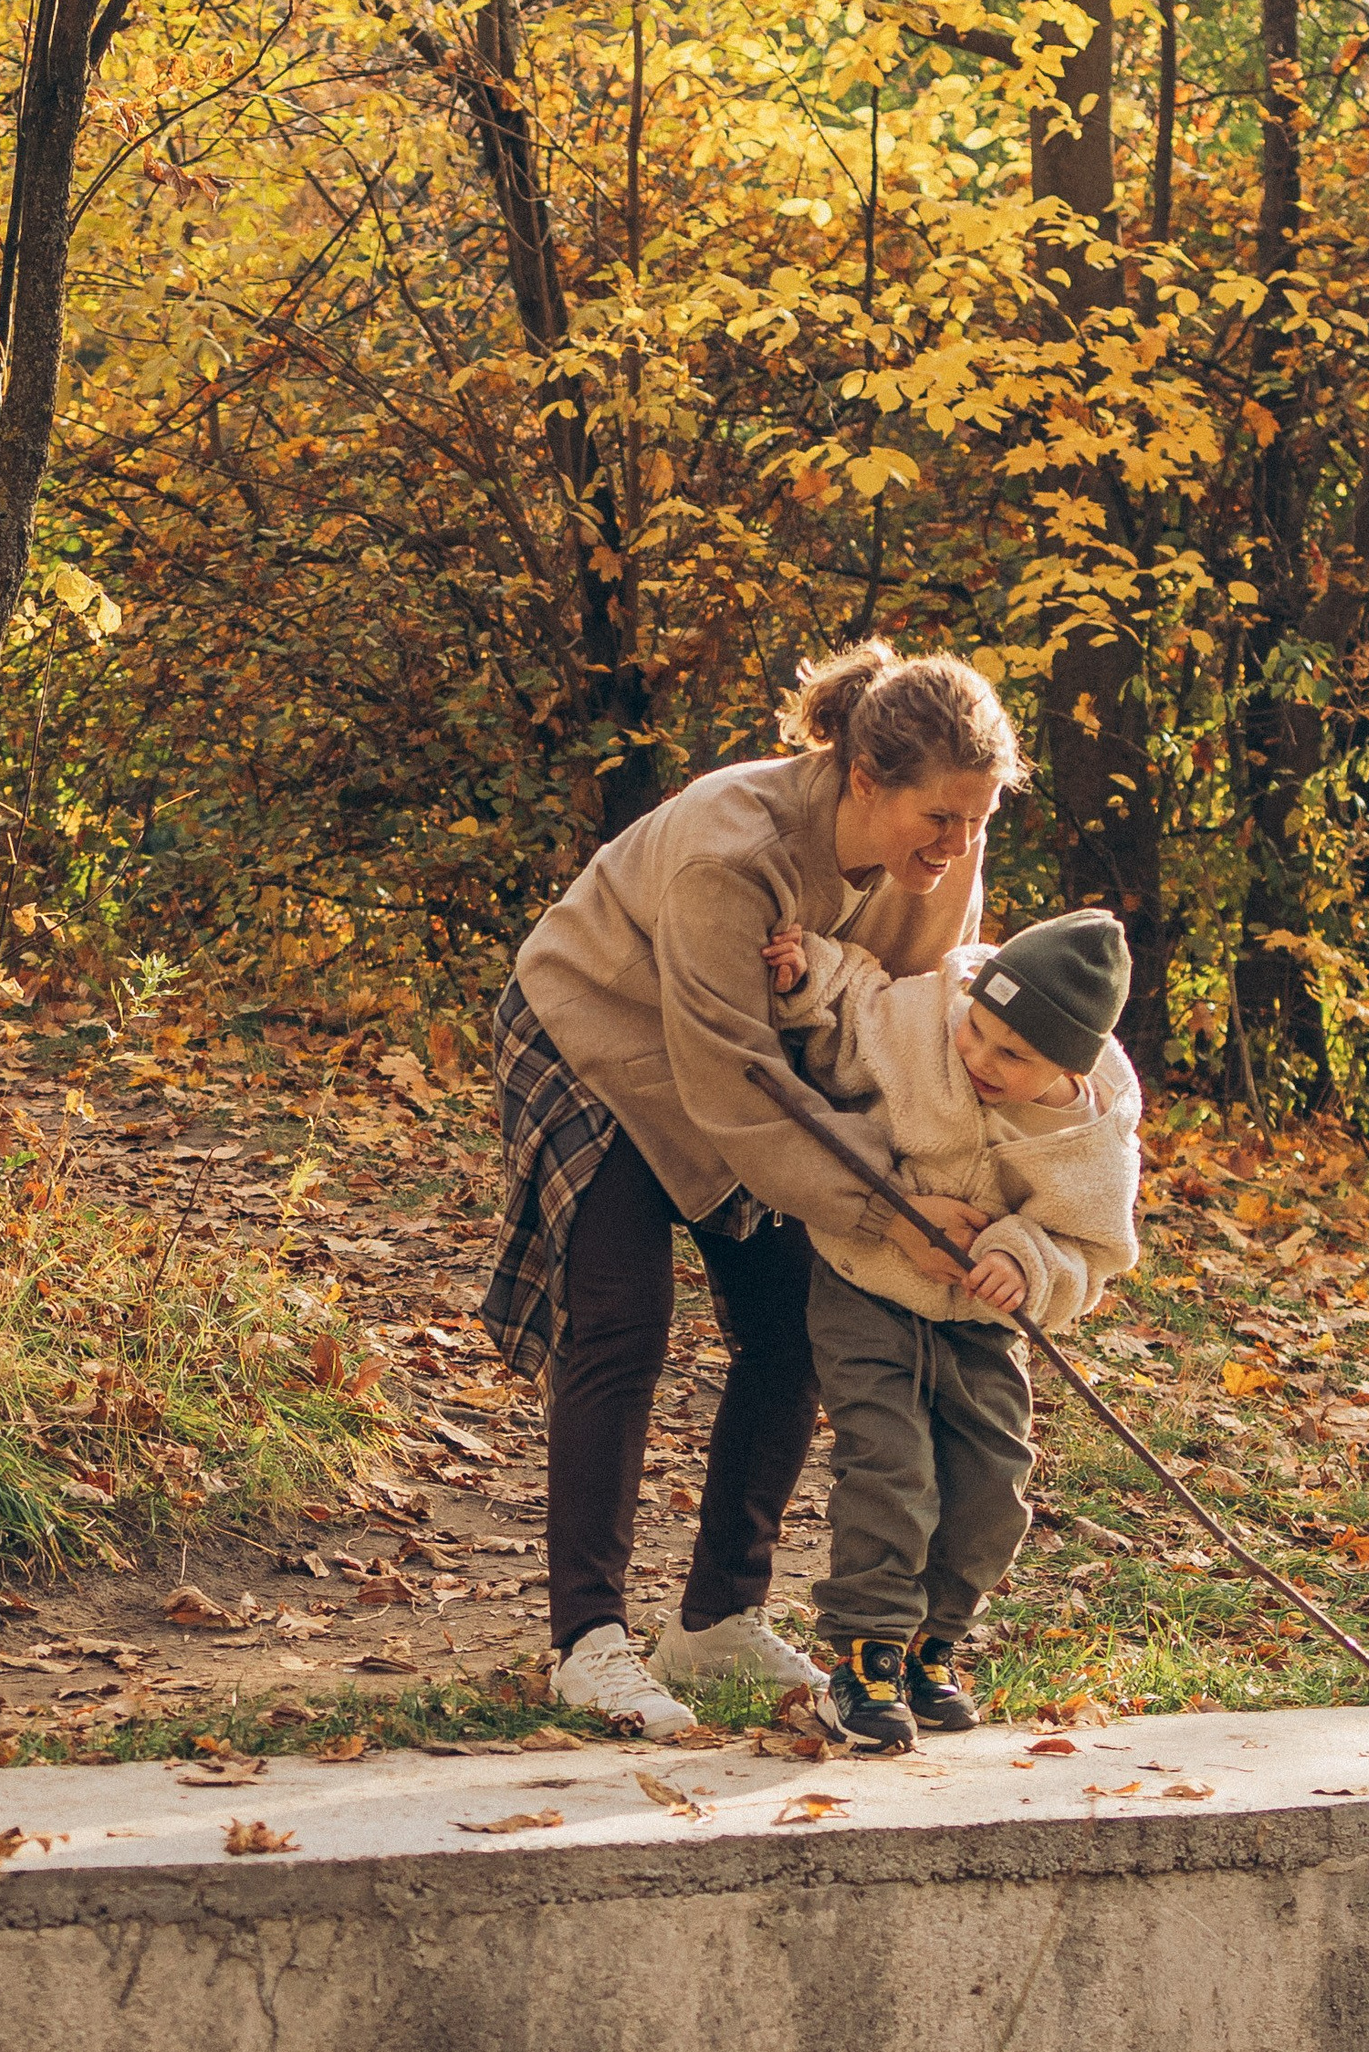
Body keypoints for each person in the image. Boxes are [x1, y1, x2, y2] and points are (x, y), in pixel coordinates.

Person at [484, 641, 1029, 1738]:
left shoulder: (944, 851)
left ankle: (718, 1615)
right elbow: (733, 1077)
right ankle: (585, 1642)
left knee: (796, 1326)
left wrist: (937, 1191)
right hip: (597, 1028)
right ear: (864, 780)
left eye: (978, 819)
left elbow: (913, 1032)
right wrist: (885, 1210)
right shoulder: (731, 851)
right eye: (940, 818)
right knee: (623, 1322)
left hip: (763, 1075)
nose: (960, 845)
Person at [759, 905, 1141, 1752]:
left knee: (992, 1486)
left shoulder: (1091, 1136)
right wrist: (804, 974)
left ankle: (933, 1648)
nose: (981, 1058)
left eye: (1014, 1055)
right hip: (868, 1284)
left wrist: (1027, 1261)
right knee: (891, 1468)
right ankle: (866, 1658)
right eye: (980, 1032)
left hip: (980, 1324)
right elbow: (857, 1002)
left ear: (1066, 1066)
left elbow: (1094, 1249)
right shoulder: (928, 1022)